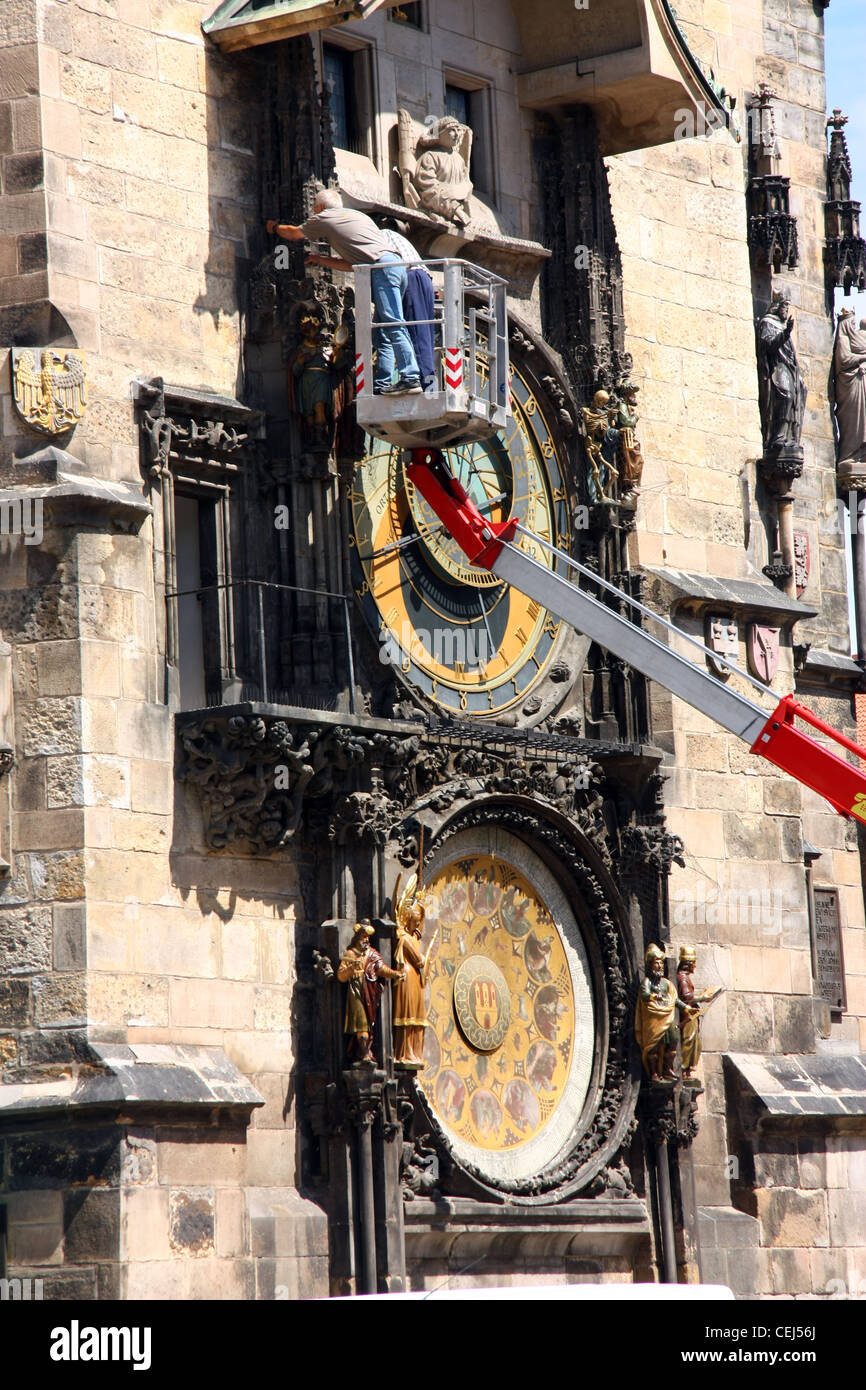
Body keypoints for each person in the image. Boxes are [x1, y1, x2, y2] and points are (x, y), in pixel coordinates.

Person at [266, 189, 422, 395]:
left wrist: (274, 227)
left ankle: (410, 376)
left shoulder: (325, 216)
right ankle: (383, 383)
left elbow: (294, 233)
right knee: (383, 330)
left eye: (314, 208)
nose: (314, 213)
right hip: (394, 267)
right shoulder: (356, 216)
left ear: (320, 207)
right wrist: (320, 260)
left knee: (393, 323)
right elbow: (352, 264)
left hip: (382, 269)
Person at [379, 222, 437, 393]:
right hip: (422, 277)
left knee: (417, 336)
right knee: (424, 337)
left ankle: (425, 387)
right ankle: (430, 388)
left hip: (411, 277)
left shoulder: (380, 235)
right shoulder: (393, 235)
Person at [337, 921, 405, 1065]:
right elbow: (341, 976)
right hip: (356, 992)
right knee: (361, 1023)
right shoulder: (350, 954)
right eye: (363, 936)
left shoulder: (372, 954)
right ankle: (364, 1053)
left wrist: (395, 974)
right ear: (357, 938)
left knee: (369, 1023)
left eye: (367, 937)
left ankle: (364, 1051)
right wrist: (351, 969)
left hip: (370, 992)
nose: (366, 939)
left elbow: (382, 969)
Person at [634, 944, 679, 1082]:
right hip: (653, 1018)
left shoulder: (666, 984)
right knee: (652, 1046)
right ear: (650, 965)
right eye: (656, 963)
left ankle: (667, 1068)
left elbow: (674, 999)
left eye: (661, 963)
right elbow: (645, 994)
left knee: (673, 1039)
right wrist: (655, 997)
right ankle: (654, 1072)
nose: (659, 966)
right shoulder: (647, 982)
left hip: (666, 1016)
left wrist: (686, 1008)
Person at [833, 311, 866, 466]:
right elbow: (845, 359)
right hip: (850, 386)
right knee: (854, 421)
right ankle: (850, 454)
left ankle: (862, 453)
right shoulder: (843, 340)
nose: (853, 327)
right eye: (851, 324)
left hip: (859, 383)